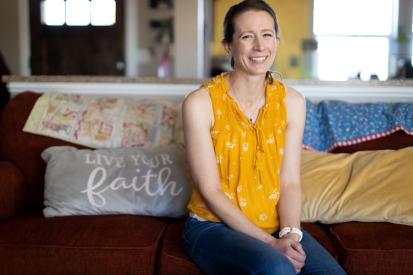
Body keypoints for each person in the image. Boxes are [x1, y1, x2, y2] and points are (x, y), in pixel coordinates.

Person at [181, 1, 347, 274]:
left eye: (267, 34)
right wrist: (271, 243)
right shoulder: (201, 103)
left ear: (276, 41)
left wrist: (290, 236)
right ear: (228, 45)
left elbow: (290, 181)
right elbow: (210, 189)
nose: (260, 46)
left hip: (276, 226)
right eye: (247, 36)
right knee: (276, 267)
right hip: (211, 226)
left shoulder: (292, 102)